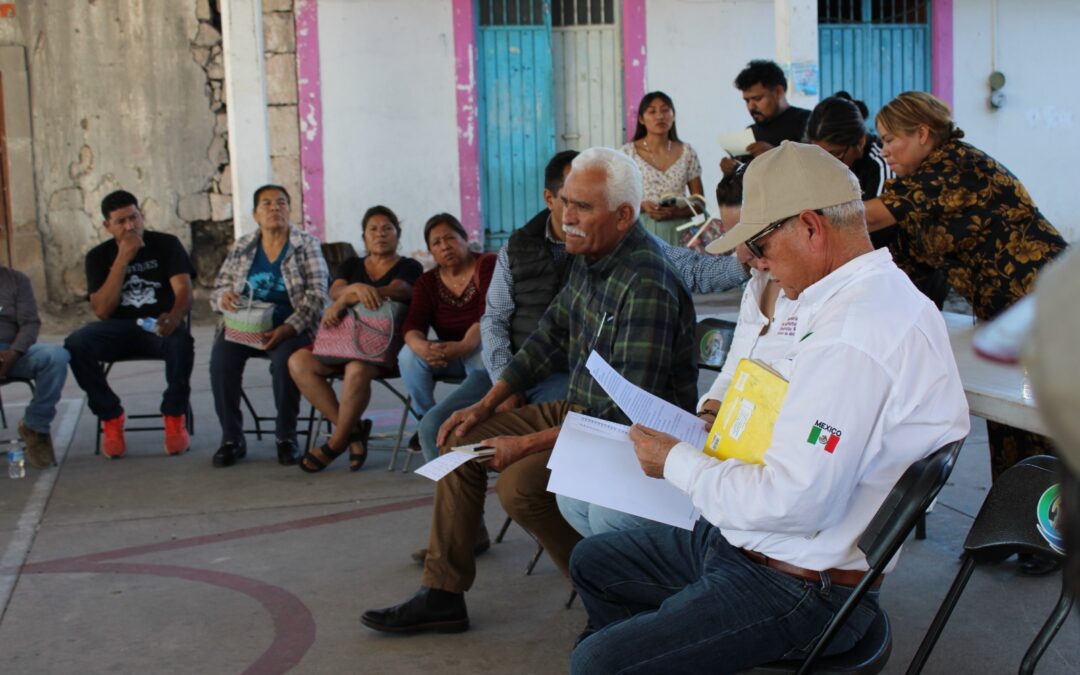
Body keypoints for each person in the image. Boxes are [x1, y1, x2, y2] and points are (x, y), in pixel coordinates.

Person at [568, 142, 970, 673]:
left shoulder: (855, 333)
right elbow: (754, 379)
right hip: (751, 544)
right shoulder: (832, 298)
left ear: (809, 226)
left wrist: (676, 462)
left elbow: (793, 502)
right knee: (593, 561)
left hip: (799, 585)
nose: (754, 262)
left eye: (760, 244)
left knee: (597, 662)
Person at [360, 147, 698, 635]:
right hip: (578, 409)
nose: (567, 217)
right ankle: (443, 594)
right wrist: (487, 401)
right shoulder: (591, 254)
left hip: (633, 437)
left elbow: (621, 420)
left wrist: (522, 444)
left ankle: (608, 597)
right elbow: (548, 335)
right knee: (460, 438)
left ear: (624, 216)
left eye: (582, 206)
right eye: (565, 202)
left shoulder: (645, 282)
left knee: (520, 489)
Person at [863, 92, 1068, 506]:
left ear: (922, 133)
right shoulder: (919, 184)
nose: (884, 151)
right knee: (1012, 428)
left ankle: (1048, 532)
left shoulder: (955, 166)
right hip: (1004, 312)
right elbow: (909, 261)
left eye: (889, 140)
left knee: (1046, 420)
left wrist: (803, 211)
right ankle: (1016, 521)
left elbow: (867, 216)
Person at [288, 205, 422, 472]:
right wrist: (353, 290)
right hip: (342, 340)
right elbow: (336, 291)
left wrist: (353, 294)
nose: (380, 234)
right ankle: (353, 431)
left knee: (357, 368)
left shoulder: (409, 265)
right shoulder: (351, 264)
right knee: (298, 361)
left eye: (387, 229)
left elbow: (400, 290)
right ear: (364, 236)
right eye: (373, 229)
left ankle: (335, 444)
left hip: (383, 347)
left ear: (397, 234)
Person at [64, 190, 196, 459]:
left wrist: (174, 315)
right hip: (119, 329)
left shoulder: (166, 244)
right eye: (121, 221)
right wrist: (123, 258)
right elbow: (102, 310)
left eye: (134, 218)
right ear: (107, 226)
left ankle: (173, 415)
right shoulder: (98, 256)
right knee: (76, 343)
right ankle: (111, 415)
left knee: (182, 342)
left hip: (158, 325)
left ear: (142, 215)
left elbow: (184, 290)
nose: (130, 226)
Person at [208, 185, 327, 468]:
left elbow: (318, 293)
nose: (275, 208)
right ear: (255, 214)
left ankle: (286, 437)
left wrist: (289, 327)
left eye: (281, 203)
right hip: (243, 325)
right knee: (220, 363)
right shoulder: (242, 246)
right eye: (267, 204)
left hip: (288, 325)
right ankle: (231, 439)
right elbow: (218, 289)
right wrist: (224, 298)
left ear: (289, 210)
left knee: (286, 363)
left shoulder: (305, 244)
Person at [396, 213, 496, 455]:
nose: (444, 246)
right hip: (448, 355)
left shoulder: (487, 264)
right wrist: (421, 347)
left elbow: (489, 313)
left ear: (465, 238)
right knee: (408, 356)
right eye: (436, 243)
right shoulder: (427, 282)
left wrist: (463, 346)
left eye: (450, 238)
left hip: (480, 346)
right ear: (430, 251)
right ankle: (428, 421)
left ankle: (471, 422)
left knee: (482, 355)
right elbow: (412, 324)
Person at [0, 263, 69, 468]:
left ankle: (35, 425)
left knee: (56, 356)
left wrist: (13, 353)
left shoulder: (16, 279)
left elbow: (30, 323)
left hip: (13, 351)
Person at [805, 92, 895, 249]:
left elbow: (874, 229)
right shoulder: (816, 161)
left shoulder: (881, 165)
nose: (826, 164)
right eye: (819, 155)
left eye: (835, 154)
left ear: (860, 142)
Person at [621, 91, 705, 246]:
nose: (660, 116)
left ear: (673, 115)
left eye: (665, 110)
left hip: (683, 232)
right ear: (641, 119)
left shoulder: (687, 152)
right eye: (652, 111)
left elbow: (699, 202)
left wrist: (676, 212)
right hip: (642, 230)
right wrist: (643, 206)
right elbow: (617, 199)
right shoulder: (627, 153)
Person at [720, 60, 811, 177]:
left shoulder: (807, 122)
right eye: (747, 100)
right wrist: (731, 169)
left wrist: (776, 156)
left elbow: (815, 168)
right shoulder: (750, 133)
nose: (751, 106)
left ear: (778, 92)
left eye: (757, 98)